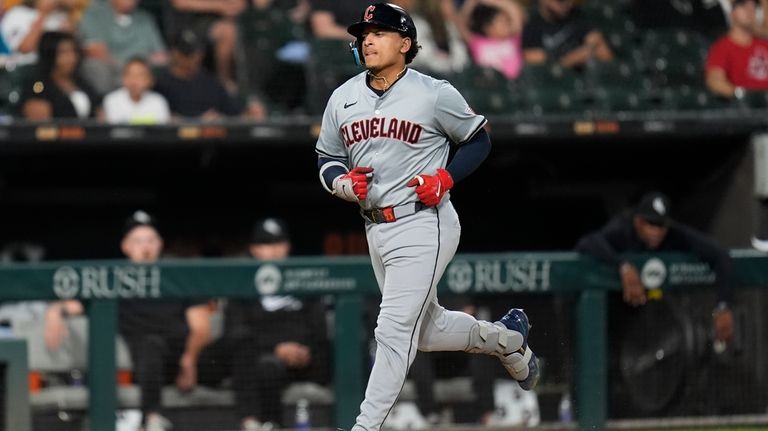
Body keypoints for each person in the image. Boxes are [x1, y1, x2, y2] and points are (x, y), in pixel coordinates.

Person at [314, 4, 539, 430]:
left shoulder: (433, 92)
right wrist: (341, 183)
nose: (368, 39)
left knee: (393, 330)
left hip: (424, 219)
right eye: (364, 34)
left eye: (379, 32)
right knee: (426, 331)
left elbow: (478, 140)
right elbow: (326, 157)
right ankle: (508, 339)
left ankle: (364, 426)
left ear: (405, 43)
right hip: (374, 227)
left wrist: (446, 177)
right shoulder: (342, 98)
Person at [197, 217, 330, 431]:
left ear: (287, 247)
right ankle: (263, 424)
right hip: (255, 362)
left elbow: (319, 333)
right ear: (254, 250)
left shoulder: (305, 283)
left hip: (303, 362)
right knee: (263, 364)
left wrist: (303, 352)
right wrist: (276, 349)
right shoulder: (242, 287)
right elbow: (236, 334)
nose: (274, 251)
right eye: (266, 245)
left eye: (279, 244)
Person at [575, 192, 735, 344]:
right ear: (638, 221)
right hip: (616, 305)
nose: (656, 231)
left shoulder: (675, 234)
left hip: (654, 308)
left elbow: (720, 255)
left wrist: (723, 306)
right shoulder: (623, 229)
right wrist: (622, 266)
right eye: (650, 224)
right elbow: (587, 243)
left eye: (661, 225)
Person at [117, 210, 215, 431]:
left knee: (241, 343)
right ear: (125, 246)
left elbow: (201, 326)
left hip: (187, 357)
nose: (145, 247)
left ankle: (254, 424)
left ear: (160, 244)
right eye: (138, 241)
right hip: (145, 365)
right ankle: (152, 419)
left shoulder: (178, 277)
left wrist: (189, 360)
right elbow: (75, 302)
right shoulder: (115, 281)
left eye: (151, 240)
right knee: (151, 344)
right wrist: (55, 311)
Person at [154, 29, 266, 121]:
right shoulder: (160, 84)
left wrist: (250, 114)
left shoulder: (211, 82)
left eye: (197, 52)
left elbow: (233, 115)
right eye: (189, 53)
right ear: (175, 54)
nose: (195, 58)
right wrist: (198, 122)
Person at [77, 0, 168, 95]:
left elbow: (160, 54)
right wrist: (129, 70)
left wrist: (139, 69)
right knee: (94, 66)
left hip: (143, 68)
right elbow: (95, 50)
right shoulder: (94, 14)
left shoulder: (145, 19)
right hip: (112, 69)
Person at [164, 0, 245, 92]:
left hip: (214, 24)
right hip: (184, 24)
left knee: (228, 30)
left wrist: (225, 7)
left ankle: (224, 82)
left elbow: (238, 5)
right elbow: (180, 3)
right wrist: (218, 6)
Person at [18, 31, 102, 120]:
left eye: (73, 51)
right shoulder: (39, 86)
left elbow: (99, 113)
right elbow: (39, 125)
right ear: (50, 55)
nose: (71, 58)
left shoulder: (83, 83)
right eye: (64, 52)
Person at [705, 0, 768, 100]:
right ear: (732, 12)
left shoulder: (764, 45)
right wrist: (740, 95)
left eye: (753, 7)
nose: (749, 10)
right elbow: (714, 80)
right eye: (743, 5)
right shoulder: (722, 47)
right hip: (743, 109)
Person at [522, 0, 613, 68]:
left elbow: (598, 45)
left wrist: (588, 49)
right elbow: (528, 56)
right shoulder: (530, 20)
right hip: (547, 82)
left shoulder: (578, 16)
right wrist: (566, 61)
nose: (565, 2)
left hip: (579, 83)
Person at [457, 0, 527, 80]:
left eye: (507, 20)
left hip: (514, 87)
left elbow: (514, 10)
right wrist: (471, 3)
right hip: (488, 88)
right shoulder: (478, 43)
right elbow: (461, 24)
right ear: (487, 27)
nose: (506, 24)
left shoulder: (513, 39)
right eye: (501, 21)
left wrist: (492, 1)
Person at [0, 0, 76, 66]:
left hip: (53, 72)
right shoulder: (17, 13)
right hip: (25, 69)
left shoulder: (59, 16)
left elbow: (72, 47)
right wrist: (43, 14)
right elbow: (25, 48)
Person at [103, 57, 171, 124]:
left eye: (140, 75)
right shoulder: (112, 100)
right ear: (122, 78)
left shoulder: (158, 101)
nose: (134, 80)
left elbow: (161, 131)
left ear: (150, 80)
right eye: (129, 74)